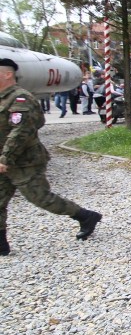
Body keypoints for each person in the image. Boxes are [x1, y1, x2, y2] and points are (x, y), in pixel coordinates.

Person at [0, 58, 102, 256]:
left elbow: (21, 131)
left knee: (41, 198)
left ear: (7, 74)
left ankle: (85, 216)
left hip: (25, 161)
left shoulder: (21, 98)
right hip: (4, 160)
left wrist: (5, 159)